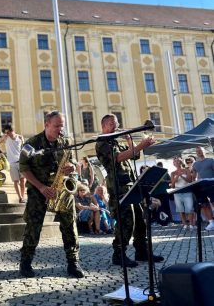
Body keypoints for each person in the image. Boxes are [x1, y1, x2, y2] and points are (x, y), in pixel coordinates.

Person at [18, 111, 84, 279]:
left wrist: (72, 167)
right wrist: (41, 187)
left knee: (70, 226)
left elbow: (74, 162)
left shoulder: (66, 142)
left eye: (62, 125)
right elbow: (23, 168)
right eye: (57, 126)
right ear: (46, 124)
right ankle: (25, 263)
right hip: (39, 190)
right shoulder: (31, 144)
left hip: (62, 189)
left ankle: (73, 262)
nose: (60, 129)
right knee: (33, 227)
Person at [95, 114, 164, 268]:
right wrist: (141, 145)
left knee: (141, 219)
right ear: (104, 125)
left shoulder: (116, 142)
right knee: (126, 222)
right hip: (118, 188)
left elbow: (134, 154)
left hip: (131, 185)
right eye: (112, 124)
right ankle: (118, 254)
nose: (116, 126)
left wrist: (129, 140)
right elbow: (118, 158)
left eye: (117, 123)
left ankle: (142, 251)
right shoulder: (102, 142)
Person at [0, 124, 26, 203]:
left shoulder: (20, 137)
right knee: (15, 181)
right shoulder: (6, 138)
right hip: (12, 163)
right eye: (6, 133)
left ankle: (23, 196)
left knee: (23, 181)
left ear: (12, 131)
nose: (7, 134)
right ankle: (20, 197)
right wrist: (2, 138)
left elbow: (23, 148)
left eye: (8, 132)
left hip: (21, 162)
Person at [191, 146, 214, 231]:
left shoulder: (211, 160)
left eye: (200, 151)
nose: (199, 152)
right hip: (201, 186)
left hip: (212, 184)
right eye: (197, 151)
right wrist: (193, 182)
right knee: (204, 204)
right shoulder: (195, 164)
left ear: (204, 151)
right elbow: (194, 176)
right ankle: (211, 223)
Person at [170, 157, 195, 230]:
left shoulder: (187, 170)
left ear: (181, 162)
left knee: (190, 209)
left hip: (187, 191)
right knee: (181, 209)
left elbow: (190, 181)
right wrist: (177, 176)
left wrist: (181, 175)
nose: (177, 162)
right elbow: (172, 185)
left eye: (178, 161)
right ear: (173, 164)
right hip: (177, 192)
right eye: (175, 161)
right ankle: (184, 224)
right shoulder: (173, 173)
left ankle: (191, 224)